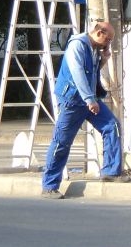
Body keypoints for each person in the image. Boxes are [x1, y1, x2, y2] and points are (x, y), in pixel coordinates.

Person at [41, 21, 126, 199]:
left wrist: (103, 59)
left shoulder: (95, 48)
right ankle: (49, 186)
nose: (108, 43)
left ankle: (111, 171)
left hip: (89, 99)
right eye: (108, 39)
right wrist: (89, 99)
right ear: (99, 32)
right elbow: (78, 73)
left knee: (112, 126)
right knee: (61, 142)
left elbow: (91, 72)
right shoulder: (77, 45)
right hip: (73, 100)